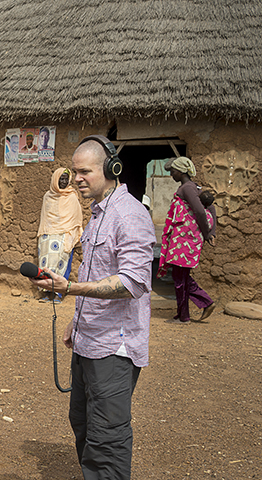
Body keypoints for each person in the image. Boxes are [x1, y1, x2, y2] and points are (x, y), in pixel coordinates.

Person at [30, 136, 155, 480]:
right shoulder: (98, 214)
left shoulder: (129, 215)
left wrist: (69, 288)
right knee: (83, 422)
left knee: (107, 438)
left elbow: (133, 283)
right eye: (74, 171)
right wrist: (77, 318)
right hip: (89, 339)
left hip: (114, 347)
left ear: (112, 169)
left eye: (85, 171)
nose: (77, 178)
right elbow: (96, 272)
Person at [158, 157, 216, 323]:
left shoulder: (188, 188)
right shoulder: (191, 187)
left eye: (173, 171)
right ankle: (185, 314)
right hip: (184, 240)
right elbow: (209, 206)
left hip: (185, 240)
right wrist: (211, 232)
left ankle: (200, 306)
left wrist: (208, 233)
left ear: (182, 171)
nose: (171, 174)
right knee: (180, 276)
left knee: (179, 277)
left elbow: (201, 210)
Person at [35, 167, 83, 302]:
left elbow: (75, 218)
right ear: (55, 179)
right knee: (46, 265)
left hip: (64, 235)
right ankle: (46, 293)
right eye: (61, 179)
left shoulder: (72, 196)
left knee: (61, 264)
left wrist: (71, 235)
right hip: (47, 235)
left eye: (66, 179)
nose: (63, 181)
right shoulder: (47, 197)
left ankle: (58, 294)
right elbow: (45, 218)